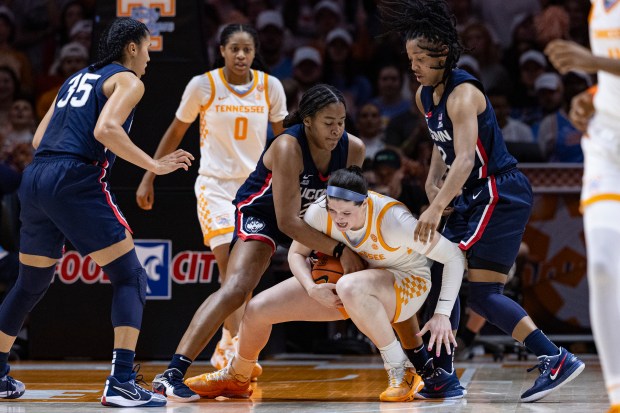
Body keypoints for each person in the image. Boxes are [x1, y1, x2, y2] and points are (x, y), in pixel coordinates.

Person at [379, 0, 584, 402]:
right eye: (410, 59)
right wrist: (434, 184)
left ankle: (543, 360)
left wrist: (436, 207)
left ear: (443, 53)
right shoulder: (426, 96)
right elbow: (443, 148)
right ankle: (460, 373)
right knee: (478, 293)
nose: (414, 66)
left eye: (420, 58)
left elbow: (468, 156)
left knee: (449, 271)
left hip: (498, 190)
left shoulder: (463, 93)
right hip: (475, 194)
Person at [0, 17, 194, 408]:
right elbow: (106, 129)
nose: (149, 60)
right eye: (147, 50)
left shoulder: (76, 79)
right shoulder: (128, 80)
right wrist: (154, 166)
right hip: (73, 177)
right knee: (131, 277)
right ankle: (121, 381)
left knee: (31, 283)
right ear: (133, 48)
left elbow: (39, 138)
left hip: (35, 178)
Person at [149, 84, 366, 402]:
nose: (336, 130)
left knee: (373, 267)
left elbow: (350, 207)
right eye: (327, 122)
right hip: (263, 215)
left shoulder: (354, 149)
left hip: (310, 220)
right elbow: (286, 222)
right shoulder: (287, 146)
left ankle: (412, 367)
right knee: (237, 288)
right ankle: (171, 375)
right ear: (307, 120)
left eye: (341, 122)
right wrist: (337, 250)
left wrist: (348, 247)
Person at [183, 166, 465, 401]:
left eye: (346, 214)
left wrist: (441, 313)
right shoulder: (320, 211)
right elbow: (296, 253)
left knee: (350, 286)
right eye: (333, 211)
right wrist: (311, 288)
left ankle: (399, 368)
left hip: (408, 284)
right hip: (356, 286)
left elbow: (453, 256)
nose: (338, 220)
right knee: (257, 309)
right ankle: (238, 376)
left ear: (364, 204)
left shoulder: (394, 221)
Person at [136, 23, 287, 399]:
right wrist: (148, 176)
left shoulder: (270, 87)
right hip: (215, 187)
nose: (240, 55)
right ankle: (234, 346)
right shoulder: (203, 85)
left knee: (245, 278)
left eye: (247, 50)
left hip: (255, 190)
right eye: (234, 48)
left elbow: (286, 140)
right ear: (221, 50)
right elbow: (175, 130)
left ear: (254, 53)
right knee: (229, 268)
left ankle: (229, 342)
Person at [545, 2, 620, 409]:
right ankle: (617, 395)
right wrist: (593, 95)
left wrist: (593, 62)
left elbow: (606, 62)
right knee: (604, 266)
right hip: (608, 144)